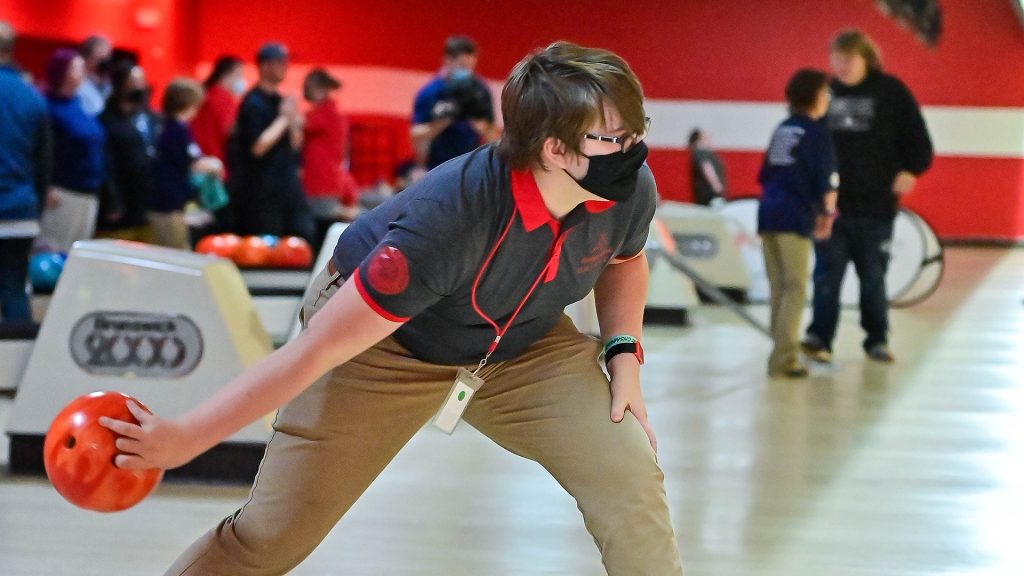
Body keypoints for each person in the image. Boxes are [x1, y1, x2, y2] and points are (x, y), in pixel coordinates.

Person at [100, 41, 684, 575]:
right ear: (555, 149)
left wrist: (623, 356)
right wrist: (185, 438)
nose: (633, 151)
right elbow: (318, 349)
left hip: (520, 344)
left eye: (636, 132)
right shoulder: (452, 219)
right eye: (614, 139)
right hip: (383, 349)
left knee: (626, 469)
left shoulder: (626, 188)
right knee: (270, 539)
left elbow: (624, 261)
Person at [802, 29, 933, 364]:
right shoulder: (824, 93)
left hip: (876, 207)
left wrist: (911, 170)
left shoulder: (891, 92)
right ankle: (820, 338)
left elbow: (919, 141)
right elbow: (808, 140)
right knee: (826, 275)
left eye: (848, 60)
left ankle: (877, 338)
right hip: (831, 207)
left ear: (866, 59)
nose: (841, 66)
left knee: (873, 277)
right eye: (836, 60)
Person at [757, 69, 838, 378]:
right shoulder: (817, 133)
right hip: (794, 217)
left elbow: (766, 174)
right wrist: (827, 217)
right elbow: (827, 183)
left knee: (779, 288)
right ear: (816, 96)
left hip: (768, 213)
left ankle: (778, 353)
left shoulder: (783, 128)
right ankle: (785, 358)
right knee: (796, 288)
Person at [230, 42, 314, 243]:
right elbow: (258, 147)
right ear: (265, 66)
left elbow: (295, 145)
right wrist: (284, 118)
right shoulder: (252, 102)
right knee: (267, 248)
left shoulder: (280, 100)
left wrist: (294, 122)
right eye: (280, 62)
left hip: (286, 185)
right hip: (262, 191)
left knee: (303, 235)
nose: (285, 67)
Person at [0, 21, 51, 322]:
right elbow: (44, 163)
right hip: (20, 210)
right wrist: (38, 206)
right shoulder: (31, 96)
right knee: (15, 290)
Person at [39, 48, 105, 253]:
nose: (82, 73)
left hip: (88, 192)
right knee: (55, 252)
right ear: (62, 72)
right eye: (76, 68)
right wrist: (45, 186)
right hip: (62, 192)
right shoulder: (47, 107)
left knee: (77, 254)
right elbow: (39, 149)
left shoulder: (79, 104)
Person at [148, 78, 223, 250]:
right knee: (175, 251)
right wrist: (214, 164)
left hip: (168, 202)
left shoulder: (165, 126)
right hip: (168, 205)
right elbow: (191, 162)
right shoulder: (176, 130)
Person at [410, 35, 500, 170]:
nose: (467, 71)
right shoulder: (431, 92)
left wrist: (479, 124)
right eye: (462, 66)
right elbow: (416, 134)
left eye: (470, 66)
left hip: (471, 165)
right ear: (447, 60)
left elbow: (494, 134)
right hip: (437, 166)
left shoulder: (480, 90)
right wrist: (441, 122)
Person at [97, 61, 160, 242]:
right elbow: (106, 164)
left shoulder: (150, 118)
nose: (140, 87)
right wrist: (112, 199)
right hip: (122, 200)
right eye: (135, 82)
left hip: (147, 201)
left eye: (142, 82)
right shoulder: (107, 121)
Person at [302, 67, 359, 246]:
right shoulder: (333, 114)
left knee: (321, 231)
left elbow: (300, 123)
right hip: (327, 181)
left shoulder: (324, 114)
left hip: (321, 182)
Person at [192, 55, 244, 166]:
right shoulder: (223, 98)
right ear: (226, 74)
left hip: (202, 157)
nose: (241, 80)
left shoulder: (207, 93)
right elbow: (229, 130)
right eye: (239, 75)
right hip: (216, 160)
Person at [688, 128, 727, 206]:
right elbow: (707, 168)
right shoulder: (701, 152)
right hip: (710, 196)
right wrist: (716, 186)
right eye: (706, 137)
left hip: (707, 195)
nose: (709, 139)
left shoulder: (699, 153)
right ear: (700, 139)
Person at [77, 34, 113, 117]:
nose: (103, 63)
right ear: (86, 57)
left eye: (106, 58)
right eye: (100, 58)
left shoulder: (107, 83)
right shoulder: (76, 81)